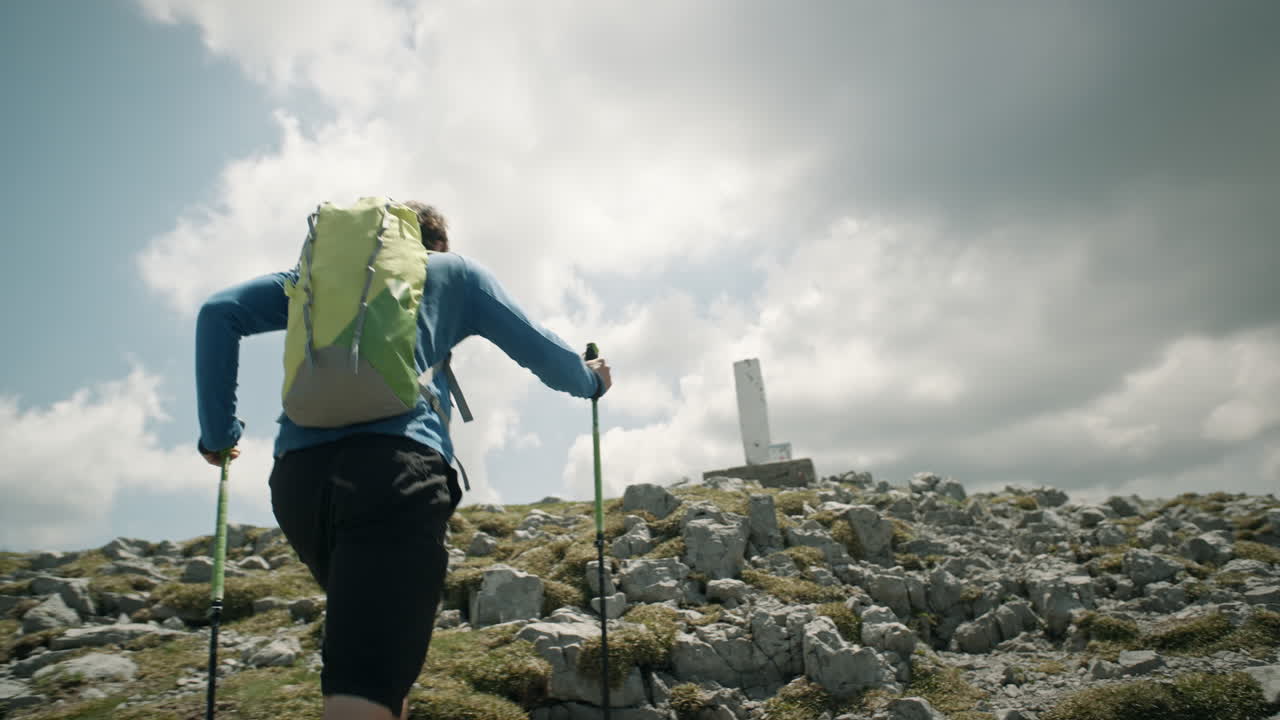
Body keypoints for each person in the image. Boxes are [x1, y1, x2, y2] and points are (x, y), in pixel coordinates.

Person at [194, 201, 612, 720]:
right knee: (363, 685)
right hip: (395, 475)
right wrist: (592, 378)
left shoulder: (313, 277)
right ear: (435, 243)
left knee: (380, 663)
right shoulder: (453, 272)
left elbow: (218, 312)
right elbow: (545, 355)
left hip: (298, 484)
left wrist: (219, 433)